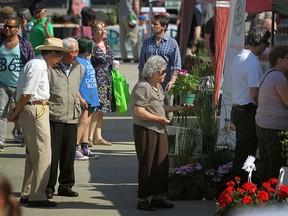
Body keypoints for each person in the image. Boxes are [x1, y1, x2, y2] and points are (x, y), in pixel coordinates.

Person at [9, 37, 70, 208]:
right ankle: (37, 195)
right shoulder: (38, 66)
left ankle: (29, 192)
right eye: (59, 56)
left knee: (33, 155)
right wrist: (16, 114)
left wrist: (18, 114)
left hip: (34, 109)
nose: (59, 60)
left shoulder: (36, 64)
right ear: (51, 53)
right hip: (35, 109)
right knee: (43, 153)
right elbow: (27, 93)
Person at [132, 55, 189, 211]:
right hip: (146, 130)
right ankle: (142, 199)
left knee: (160, 164)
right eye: (163, 72)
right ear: (153, 72)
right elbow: (139, 111)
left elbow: (160, 107)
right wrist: (159, 119)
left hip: (158, 127)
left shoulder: (157, 86)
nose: (165, 75)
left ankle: (158, 197)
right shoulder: (143, 87)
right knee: (148, 164)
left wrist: (177, 108)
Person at [230, 25, 271, 183]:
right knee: (247, 152)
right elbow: (254, 94)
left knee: (242, 150)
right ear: (259, 42)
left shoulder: (239, 56)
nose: (265, 48)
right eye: (266, 44)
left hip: (238, 109)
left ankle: (239, 183)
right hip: (247, 111)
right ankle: (241, 184)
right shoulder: (252, 62)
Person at [46, 37, 84, 199]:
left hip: (72, 116)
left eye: (77, 51)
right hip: (55, 115)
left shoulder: (80, 68)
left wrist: (80, 100)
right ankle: (48, 186)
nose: (75, 55)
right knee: (52, 156)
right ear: (64, 52)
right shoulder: (51, 68)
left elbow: (74, 89)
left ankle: (66, 185)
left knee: (69, 155)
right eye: (72, 51)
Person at [0, 17, 35, 152]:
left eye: (10, 27)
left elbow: (31, 64)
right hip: (2, 84)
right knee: (1, 112)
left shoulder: (25, 45)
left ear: (17, 29)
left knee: (22, 113)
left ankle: (25, 137)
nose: (7, 29)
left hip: (19, 85)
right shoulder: (1, 43)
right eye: (6, 26)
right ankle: (1, 141)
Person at [138, 14, 181, 120]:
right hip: (149, 86)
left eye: (155, 24)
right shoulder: (146, 43)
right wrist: (140, 83)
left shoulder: (172, 43)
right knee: (150, 112)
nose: (152, 26)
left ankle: (169, 136)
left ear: (164, 27)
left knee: (168, 114)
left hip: (166, 86)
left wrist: (172, 81)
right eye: (152, 24)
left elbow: (177, 65)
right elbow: (141, 65)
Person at [256, 46, 288, 183]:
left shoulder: (269, 73)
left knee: (266, 163)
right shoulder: (278, 77)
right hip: (273, 128)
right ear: (280, 59)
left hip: (263, 125)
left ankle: (263, 197)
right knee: (274, 165)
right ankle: (268, 198)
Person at [88, 21, 115, 146]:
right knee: (95, 109)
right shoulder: (91, 46)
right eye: (100, 29)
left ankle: (98, 136)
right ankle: (89, 136)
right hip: (95, 80)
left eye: (104, 28)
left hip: (107, 80)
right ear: (93, 32)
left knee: (102, 109)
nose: (103, 31)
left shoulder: (107, 44)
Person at [75, 36, 100, 159]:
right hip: (83, 96)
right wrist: (80, 98)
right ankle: (75, 147)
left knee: (87, 122)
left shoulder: (87, 60)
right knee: (83, 122)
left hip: (91, 95)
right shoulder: (78, 61)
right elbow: (75, 82)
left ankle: (85, 146)